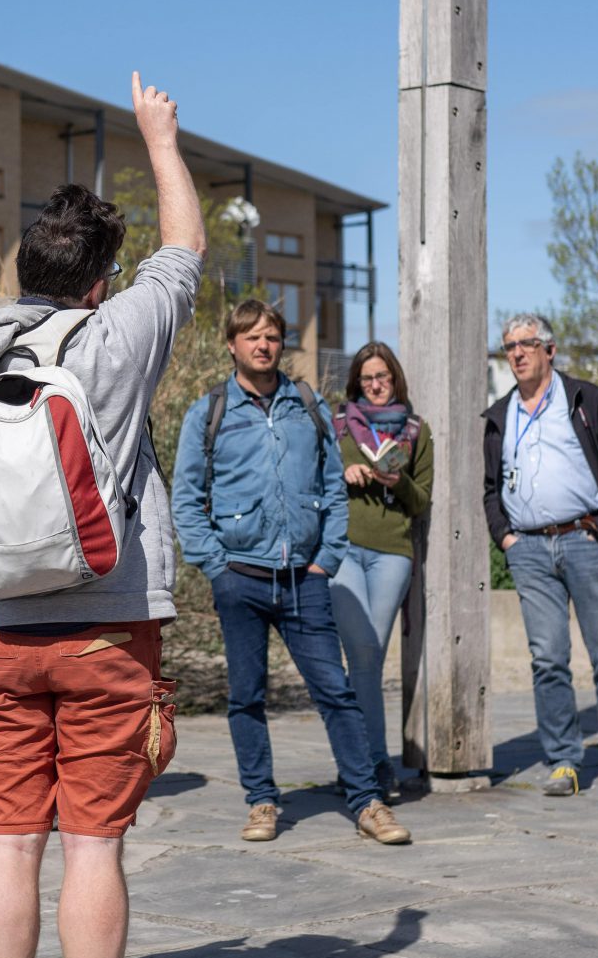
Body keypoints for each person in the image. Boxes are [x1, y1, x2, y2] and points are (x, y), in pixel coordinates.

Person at [0, 71, 198, 958]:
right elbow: (184, 250)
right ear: (97, 283)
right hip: (106, 629)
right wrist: (159, 139)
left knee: (6, 841)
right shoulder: (117, 336)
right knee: (92, 845)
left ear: (22, 268)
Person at [176, 300, 409, 846]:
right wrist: (217, 567)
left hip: (305, 578)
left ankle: (367, 801)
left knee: (336, 692)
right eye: (252, 336)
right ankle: (261, 800)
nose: (263, 345)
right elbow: (186, 499)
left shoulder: (308, 404)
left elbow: (333, 486)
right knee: (247, 696)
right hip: (240, 577)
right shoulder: (208, 411)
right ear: (231, 344)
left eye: (272, 337)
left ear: (282, 344)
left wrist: (327, 558)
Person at [482, 313, 598, 798]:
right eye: (510, 346)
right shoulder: (499, 414)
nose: (517, 353)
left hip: (584, 539)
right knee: (548, 659)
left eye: (527, 344)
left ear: (549, 350)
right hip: (528, 548)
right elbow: (489, 486)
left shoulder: (586, 399)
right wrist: (505, 537)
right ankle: (563, 761)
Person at [327, 341, 433, 802]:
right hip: (343, 549)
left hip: (393, 552)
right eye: (367, 378)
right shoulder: (336, 424)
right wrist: (344, 472)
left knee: (367, 658)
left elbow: (422, 500)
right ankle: (373, 764)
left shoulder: (415, 430)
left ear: (395, 380)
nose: (375, 385)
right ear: (357, 382)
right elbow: (315, 479)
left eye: (382, 377)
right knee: (363, 652)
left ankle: (359, 766)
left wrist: (398, 480)